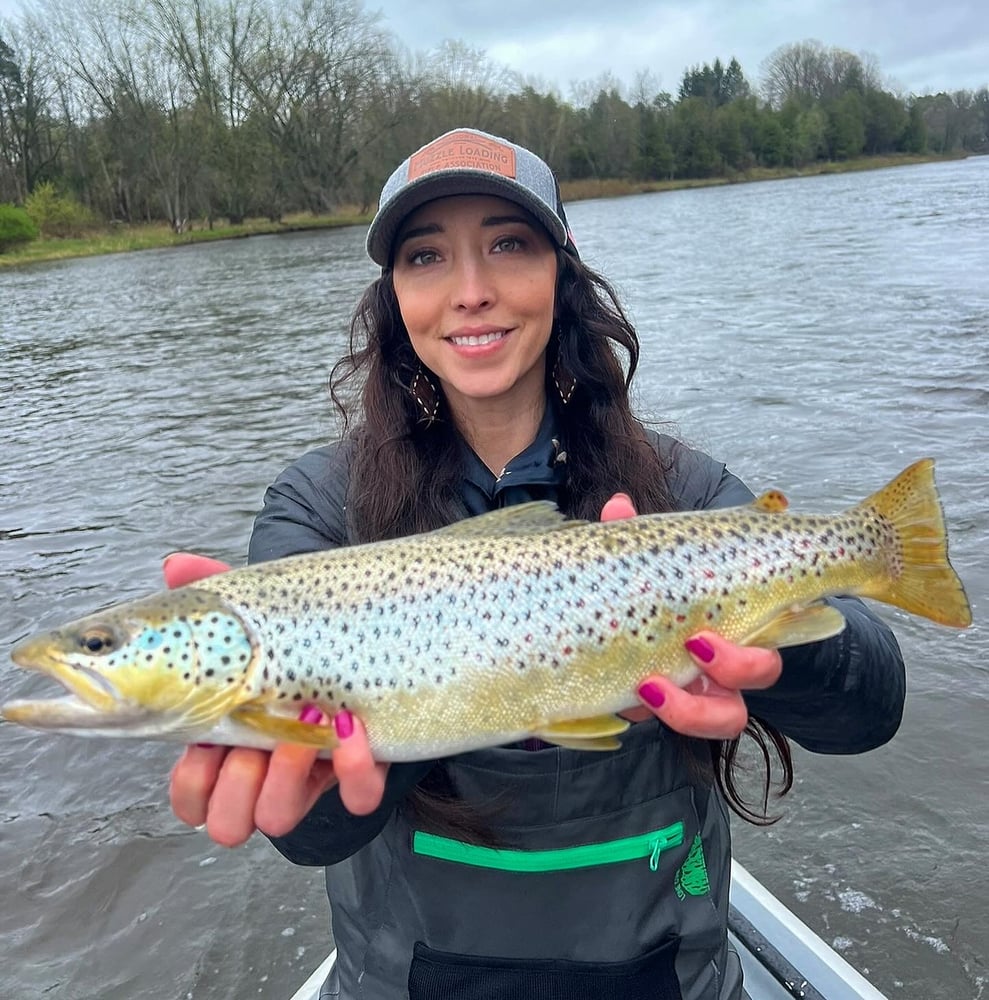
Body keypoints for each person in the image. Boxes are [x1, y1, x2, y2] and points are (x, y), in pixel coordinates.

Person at [167, 127, 906, 999]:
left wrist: (762, 646)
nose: (470, 292)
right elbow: (310, 834)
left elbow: (871, 710)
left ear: (563, 271)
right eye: (426, 256)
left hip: (664, 972)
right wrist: (385, 709)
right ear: (394, 297)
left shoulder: (676, 487)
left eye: (508, 245)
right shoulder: (319, 508)